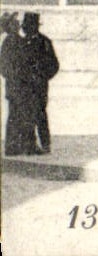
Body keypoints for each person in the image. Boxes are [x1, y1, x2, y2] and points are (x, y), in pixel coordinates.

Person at [20, 12, 59, 154]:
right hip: (24, 86)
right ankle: (30, 145)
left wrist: (42, 76)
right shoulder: (22, 43)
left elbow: (54, 65)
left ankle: (45, 144)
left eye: (29, 26)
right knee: (26, 115)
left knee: (40, 114)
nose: (26, 29)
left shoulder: (44, 42)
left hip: (39, 86)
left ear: (35, 26)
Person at [0, 12, 31, 156]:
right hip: (16, 86)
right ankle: (13, 147)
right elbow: (4, 67)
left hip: (19, 86)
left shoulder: (18, 40)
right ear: (11, 26)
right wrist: (16, 77)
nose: (18, 24)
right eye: (15, 22)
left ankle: (18, 146)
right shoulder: (10, 42)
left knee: (20, 115)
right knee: (15, 116)